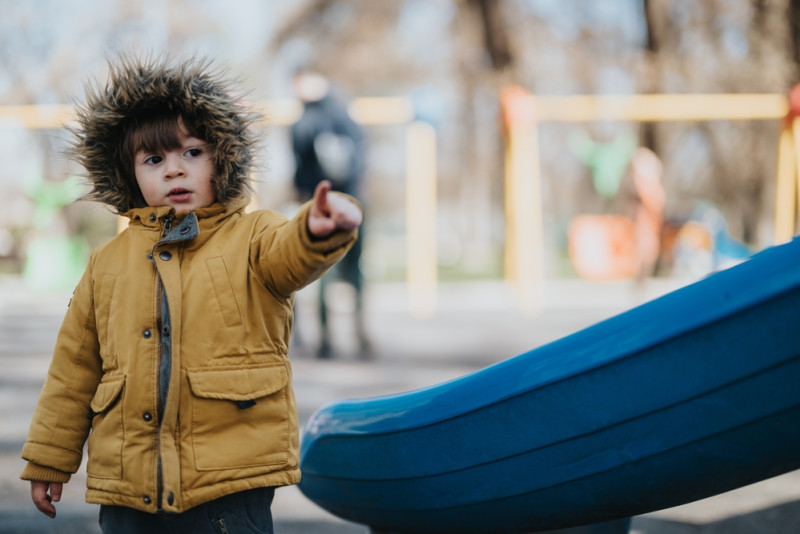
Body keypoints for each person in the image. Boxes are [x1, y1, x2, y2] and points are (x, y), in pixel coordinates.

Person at [19, 55, 362, 534]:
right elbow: (74, 368)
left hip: (227, 482)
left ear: (222, 157)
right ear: (128, 172)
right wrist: (49, 458)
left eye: (192, 153)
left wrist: (317, 230)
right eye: (154, 159)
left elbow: (291, 255)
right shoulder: (107, 263)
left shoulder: (253, 237)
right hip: (130, 485)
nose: (175, 171)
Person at [290, 69, 370, 359]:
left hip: (323, 204)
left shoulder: (306, 119)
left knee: (325, 270)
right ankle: (358, 334)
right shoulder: (344, 111)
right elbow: (361, 151)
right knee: (354, 271)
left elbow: (299, 161)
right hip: (352, 200)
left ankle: (329, 339)